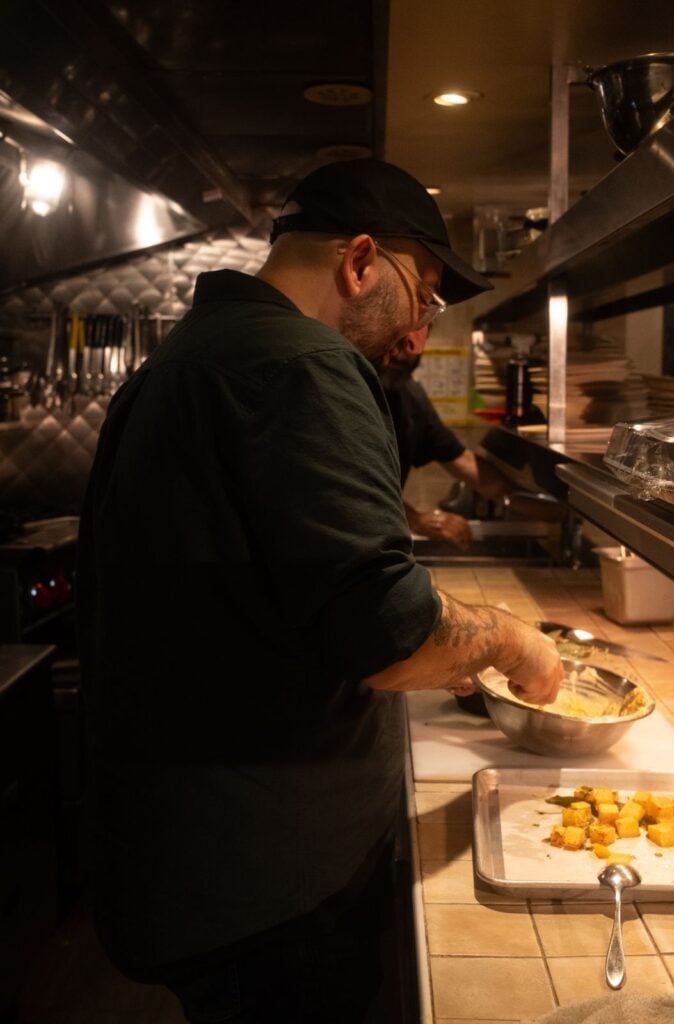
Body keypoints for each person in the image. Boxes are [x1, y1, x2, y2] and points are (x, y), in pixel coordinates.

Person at [76, 158, 563, 1024]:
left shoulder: (191, 355)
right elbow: (390, 630)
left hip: (190, 852)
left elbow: (282, 595)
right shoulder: (301, 362)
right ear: (361, 261)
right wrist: (513, 639)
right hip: (272, 881)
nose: (419, 329)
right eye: (426, 294)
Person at [381, 328, 568, 551]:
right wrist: (414, 519)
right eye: (397, 335)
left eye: (417, 336)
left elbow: (465, 463)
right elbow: (348, 485)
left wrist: (523, 500)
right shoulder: (347, 390)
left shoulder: (408, 396)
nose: (403, 351)